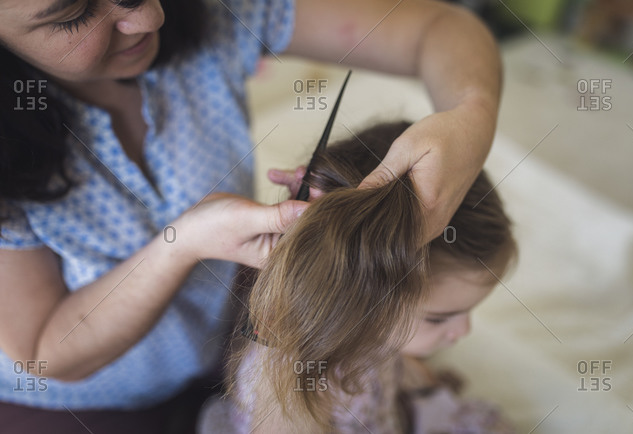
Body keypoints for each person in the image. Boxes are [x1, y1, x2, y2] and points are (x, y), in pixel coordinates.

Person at [0, 0, 501, 432]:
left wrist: (472, 115)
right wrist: (183, 243)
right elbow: (48, 353)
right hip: (77, 397)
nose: (148, 18)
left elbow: (440, 27)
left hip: (222, 342)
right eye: (72, 16)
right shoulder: (283, 377)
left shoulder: (216, 12)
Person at [199, 121, 517, 433]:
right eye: (438, 318)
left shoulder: (368, 330)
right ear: (354, 295)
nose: (463, 330)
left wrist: (419, 383)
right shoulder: (297, 384)